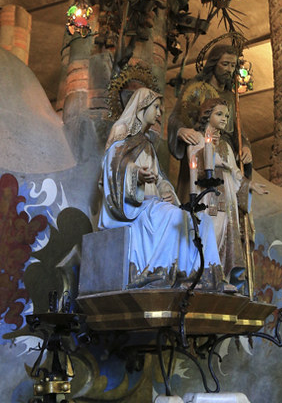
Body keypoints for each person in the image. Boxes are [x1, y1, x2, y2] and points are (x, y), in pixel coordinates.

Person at [99, 87, 223, 291]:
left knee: (201, 220)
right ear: (142, 106)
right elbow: (111, 167)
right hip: (131, 207)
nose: (159, 113)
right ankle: (159, 271)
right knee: (173, 217)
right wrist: (136, 174)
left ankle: (203, 276)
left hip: (153, 205)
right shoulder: (121, 130)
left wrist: (167, 191)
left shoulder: (147, 143)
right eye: (156, 107)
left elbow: (160, 179)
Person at [188, 98, 267, 292]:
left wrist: (249, 185)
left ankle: (223, 277)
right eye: (219, 114)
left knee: (228, 233)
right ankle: (205, 275)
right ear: (207, 115)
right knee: (210, 232)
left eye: (227, 116)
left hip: (228, 195)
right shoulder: (197, 139)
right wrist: (210, 150)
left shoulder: (226, 145)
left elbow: (236, 173)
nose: (224, 119)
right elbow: (194, 166)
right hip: (208, 194)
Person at [167, 42, 252, 199]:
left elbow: (237, 129)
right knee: (198, 198)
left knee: (224, 200)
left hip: (224, 152)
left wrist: (245, 146)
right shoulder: (195, 87)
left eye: (233, 65)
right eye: (225, 64)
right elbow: (176, 116)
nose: (229, 69)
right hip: (199, 147)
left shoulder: (230, 97)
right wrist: (181, 130)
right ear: (213, 63)